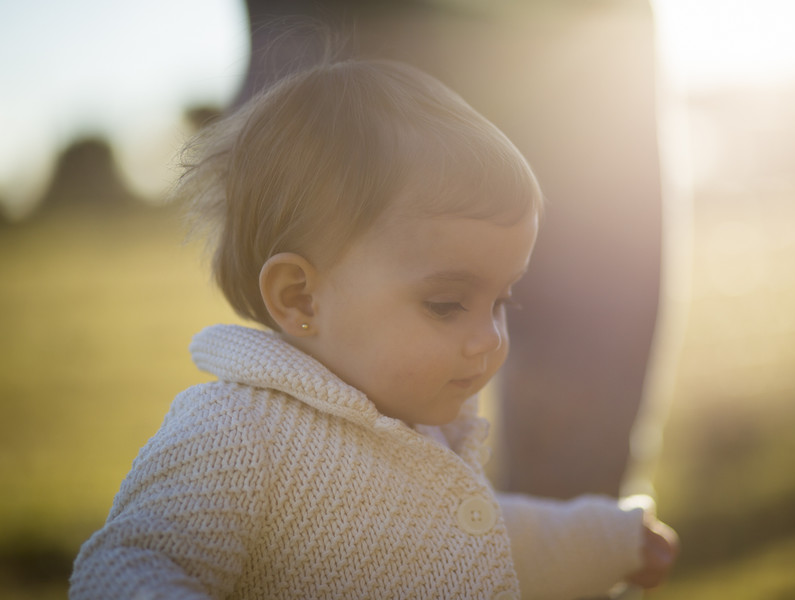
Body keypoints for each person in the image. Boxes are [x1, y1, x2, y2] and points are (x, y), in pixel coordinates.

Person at [69, 54, 677, 599]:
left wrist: (607, 539)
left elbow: (488, 541)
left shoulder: (415, 428)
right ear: (299, 296)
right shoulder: (237, 430)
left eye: (502, 302)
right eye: (446, 303)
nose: (490, 339)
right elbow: (128, 563)